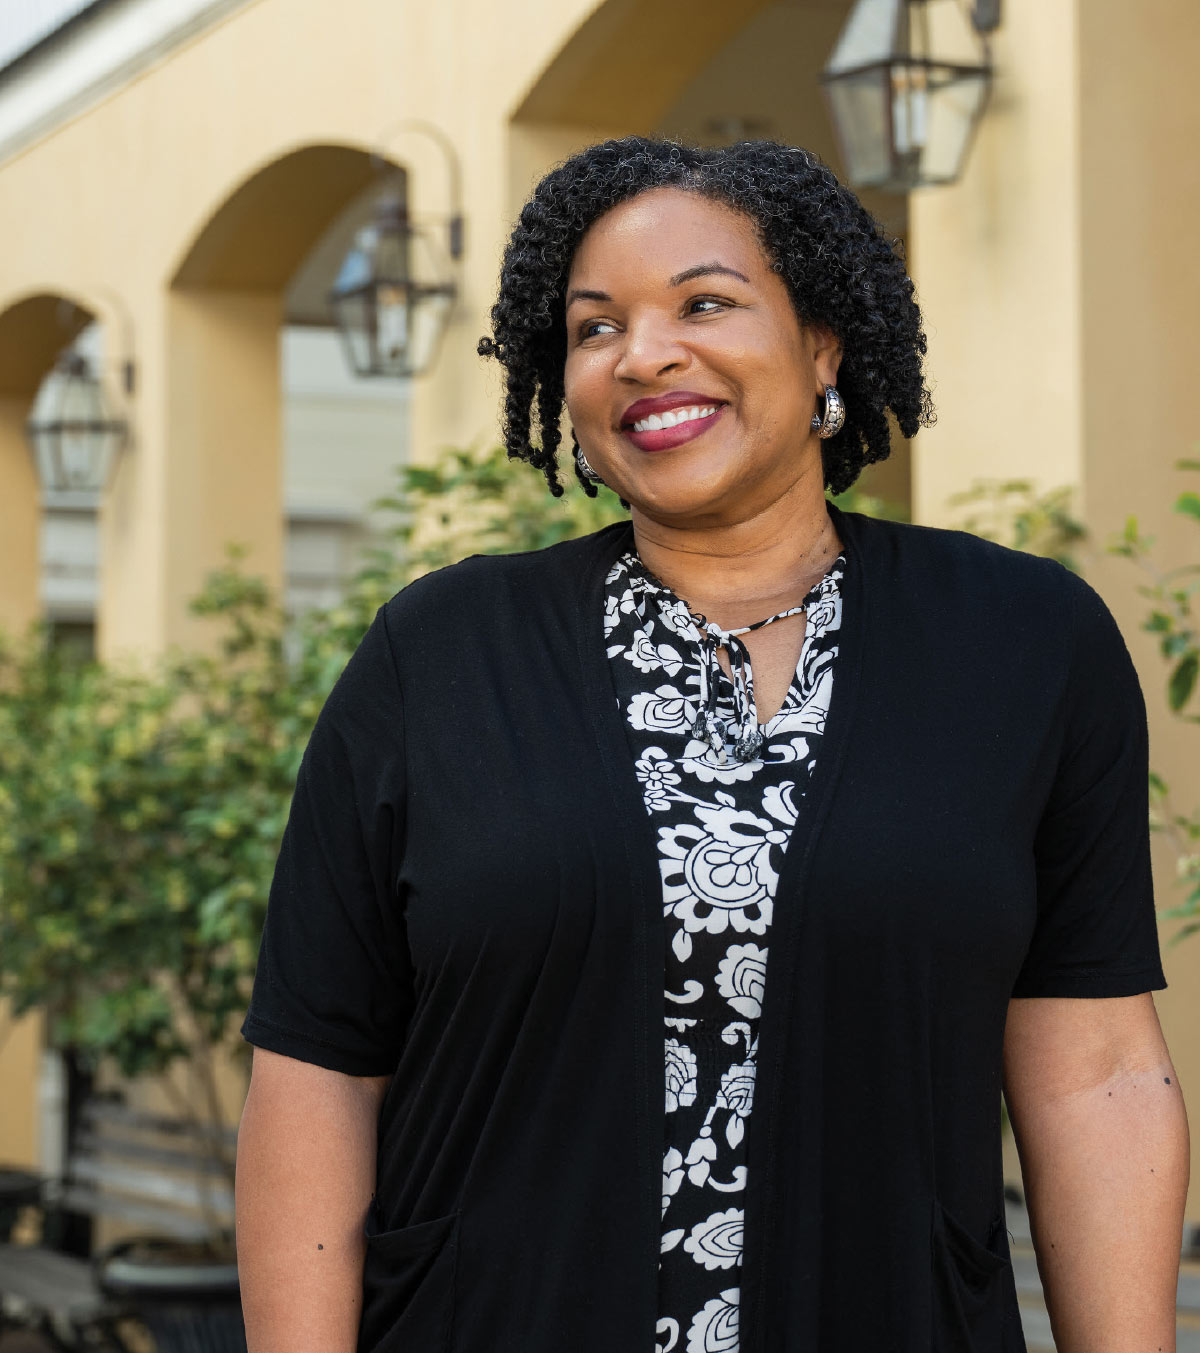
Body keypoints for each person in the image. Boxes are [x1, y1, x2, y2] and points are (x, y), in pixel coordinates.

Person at [234, 137, 1189, 1353]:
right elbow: (318, 1073)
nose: (644, 355)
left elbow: (1096, 1068)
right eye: (594, 328)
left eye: (706, 303)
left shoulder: (1022, 642)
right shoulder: (438, 654)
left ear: (825, 344)